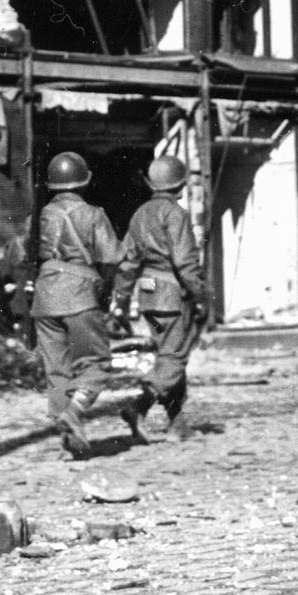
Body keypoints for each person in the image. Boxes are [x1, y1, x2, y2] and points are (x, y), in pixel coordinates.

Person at [30, 150, 120, 458]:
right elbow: (110, 258)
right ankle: (75, 411)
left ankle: (66, 440)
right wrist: (105, 291)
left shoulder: (37, 217)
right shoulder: (93, 214)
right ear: (84, 182)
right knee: (96, 363)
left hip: (44, 299)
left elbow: (17, 255)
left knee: (57, 370)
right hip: (80, 295)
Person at [111, 155, 207, 441]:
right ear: (179, 184)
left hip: (149, 297)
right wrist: (201, 294)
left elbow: (127, 262)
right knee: (174, 358)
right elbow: (185, 262)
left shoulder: (140, 214)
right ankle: (138, 405)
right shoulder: (175, 214)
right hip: (173, 297)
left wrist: (121, 297)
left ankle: (177, 424)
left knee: (168, 355)